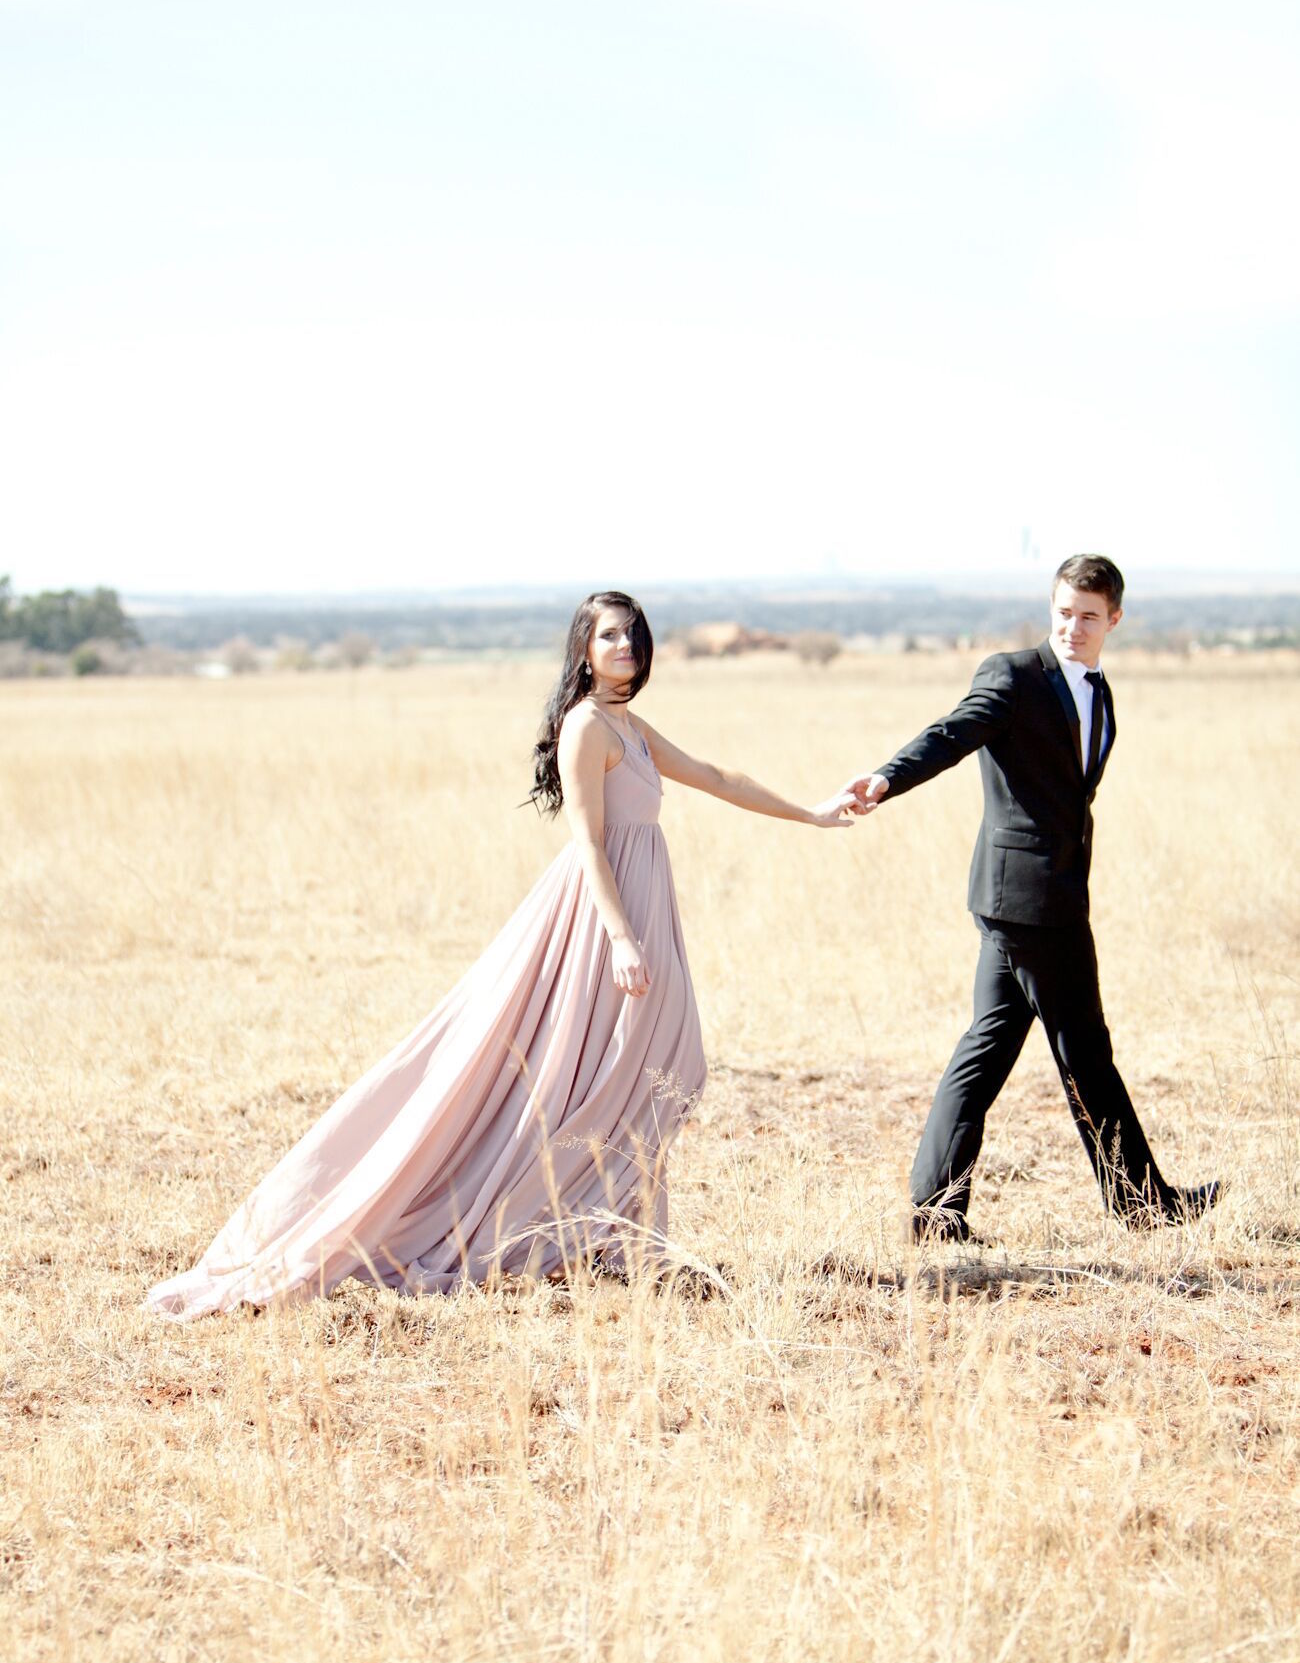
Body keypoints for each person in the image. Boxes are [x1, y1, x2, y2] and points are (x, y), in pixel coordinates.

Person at [146, 592, 857, 1318]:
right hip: (599, 918)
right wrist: (618, 934)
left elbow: (718, 777)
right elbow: (586, 839)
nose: (624, 646)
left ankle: (614, 1236)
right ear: (583, 647)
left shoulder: (630, 727)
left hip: (644, 907)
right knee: (580, 1070)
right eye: (608, 635)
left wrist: (813, 812)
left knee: (648, 1067)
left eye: (633, 635)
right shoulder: (587, 727)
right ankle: (560, 1228)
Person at [849, 555, 1220, 1242]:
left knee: (986, 1050)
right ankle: (1142, 1203)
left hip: (1036, 896)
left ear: (1114, 619)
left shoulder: (1098, 692)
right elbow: (953, 733)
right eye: (1063, 612)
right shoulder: (1014, 676)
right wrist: (886, 778)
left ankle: (934, 1216)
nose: (1072, 627)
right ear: (1050, 607)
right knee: (1086, 1050)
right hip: (1028, 901)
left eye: (1087, 616)